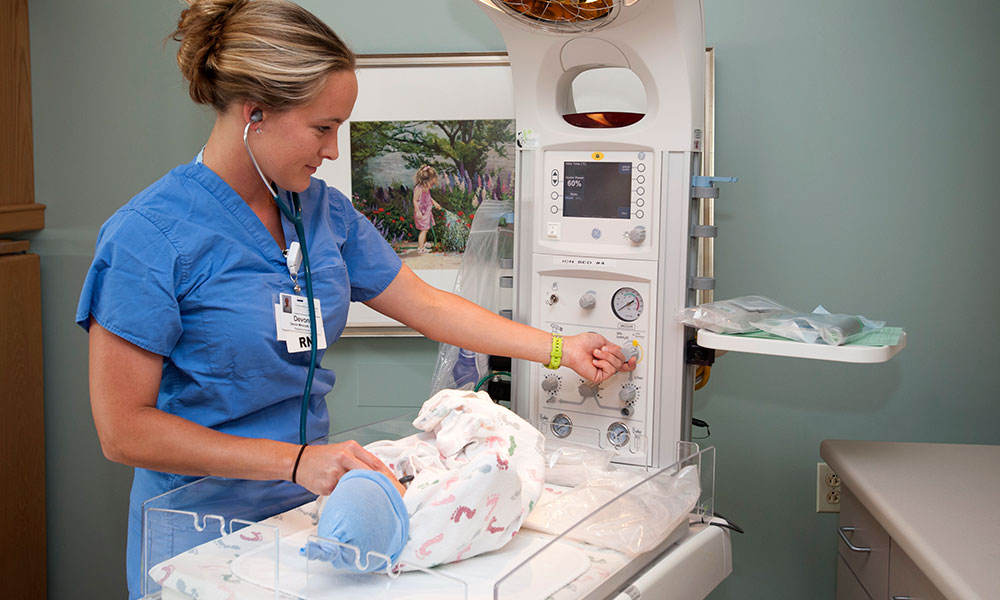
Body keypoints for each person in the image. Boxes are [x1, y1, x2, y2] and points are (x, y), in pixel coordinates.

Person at [76, 1, 634, 597]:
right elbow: (123, 431)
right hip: (197, 525)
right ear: (253, 112)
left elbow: (427, 305)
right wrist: (293, 463)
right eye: (323, 128)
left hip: (308, 514)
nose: (335, 151)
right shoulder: (148, 238)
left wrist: (559, 348)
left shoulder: (322, 213)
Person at [412, 164, 444, 253]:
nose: (432, 185)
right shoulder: (419, 188)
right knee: (424, 230)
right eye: (431, 183)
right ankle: (421, 248)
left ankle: (424, 243)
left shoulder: (426, 187)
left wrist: (435, 203)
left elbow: (429, 197)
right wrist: (417, 211)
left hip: (426, 211)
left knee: (426, 228)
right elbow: (415, 200)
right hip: (422, 212)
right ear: (426, 180)